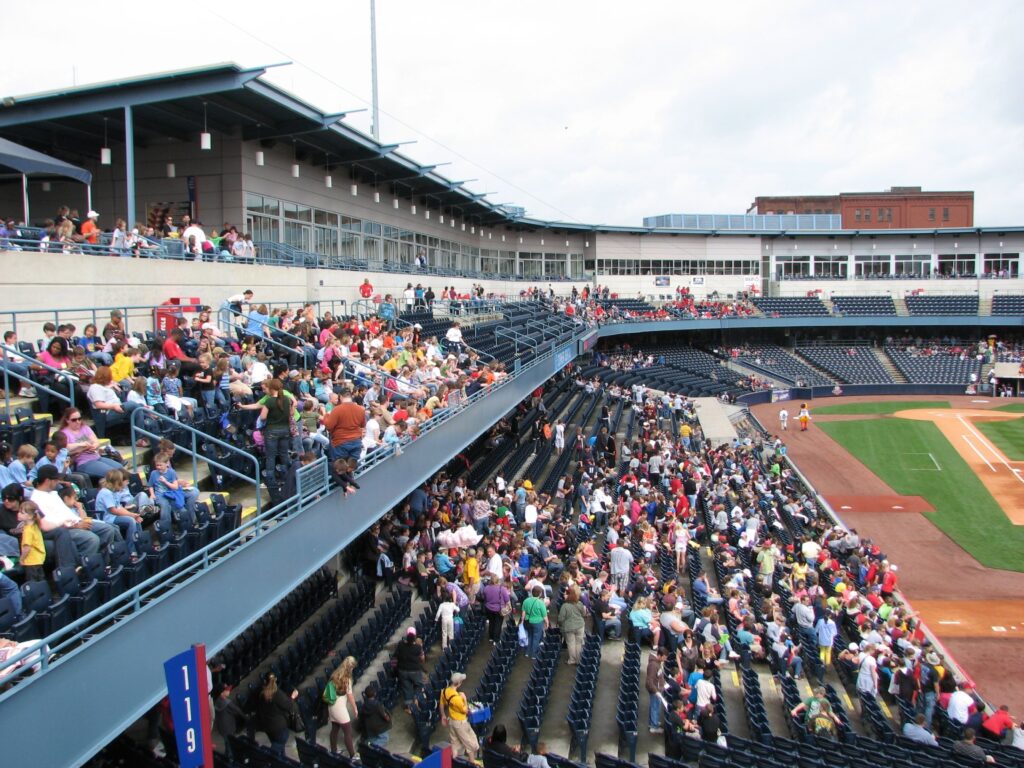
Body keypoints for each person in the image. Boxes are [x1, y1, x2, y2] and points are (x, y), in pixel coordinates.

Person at [256, 672, 299, 756]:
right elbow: (288, 706)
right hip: (279, 727)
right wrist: (293, 697)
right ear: (275, 680)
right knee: (277, 748)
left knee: (280, 748)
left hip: (267, 727)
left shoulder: (261, 693)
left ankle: (282, 761)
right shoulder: (277, 694)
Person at [439, 671, 479, 759]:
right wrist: (464, 698)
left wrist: (443, 716)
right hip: (460, 723)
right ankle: (471, 763)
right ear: (459, 683)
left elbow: (441, 704)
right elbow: (465, 710)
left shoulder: (445, 691)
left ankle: (453, 762)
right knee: (471, 745)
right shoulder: (457, 698)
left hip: (451, 722)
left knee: (455, 744)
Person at [326, 656, 359, 757]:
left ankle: (333, 751)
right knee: (347, 732)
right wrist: (355, 708)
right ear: (351, 667)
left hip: (331, 705)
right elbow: (350, 696)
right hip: (339, 708)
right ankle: (353, 755)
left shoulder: (334, 674)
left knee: (335, 729)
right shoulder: (347, 679)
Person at [395, 627, 426, 711]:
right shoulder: (418, 647)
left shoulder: (401, 644)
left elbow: (396, 655)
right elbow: (422, 658)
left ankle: (409, 708)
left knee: (406, 688)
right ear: (415, 637)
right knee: (418, 685)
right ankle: (416, 699)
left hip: (402, 671)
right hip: (415, 671)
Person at [16, 501, 46, 581]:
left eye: (21, 512)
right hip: (39, 558)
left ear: (29, 516)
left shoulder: (28, 531)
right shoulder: (35, 525)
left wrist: (21, 559)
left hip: (31, 560)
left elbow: (27, 548)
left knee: (33, 582)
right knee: (41, 580)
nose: (18, 514)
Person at [558, 585, 587, 665]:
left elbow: (560, 618)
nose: (564, 594)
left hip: (568, 627)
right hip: (580, 626)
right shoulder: (580, 603)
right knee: (578, 643)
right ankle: (578, 660)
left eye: (566, 593)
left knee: (570, 643)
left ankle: (572, 660)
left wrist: (561, 625)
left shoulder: (564, 606)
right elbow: (583, 613)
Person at [359, 684, 391, 748]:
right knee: (385, 738)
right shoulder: (377, 705)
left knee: (372, 738)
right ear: (375, 694)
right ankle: (370, 747)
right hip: (378, 727)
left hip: (369, 726)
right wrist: (388, 718)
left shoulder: (364, 705)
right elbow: (385, 716)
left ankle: (366, 743)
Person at [521, 585, 549, 660]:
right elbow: (544, 616)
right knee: (536, 638)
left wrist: (522, 621)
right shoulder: (540, 603)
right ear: (540, 594)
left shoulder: (526, 601)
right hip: (537, 623)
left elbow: (523, 613)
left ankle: (527, 652)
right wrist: (547, 623)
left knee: (530, 636)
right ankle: (533, 654)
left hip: (528, 622)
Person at [646, 648, 667, 734]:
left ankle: (653, 722)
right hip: (655, 690)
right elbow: (649, 681)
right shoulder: (653, 665)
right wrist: (656, 691)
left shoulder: (657, 663)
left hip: (658, 688)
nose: (665, 659)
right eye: (664, 657)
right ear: (659, 656)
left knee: (655, 706)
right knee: (655, 707)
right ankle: (653, 726)